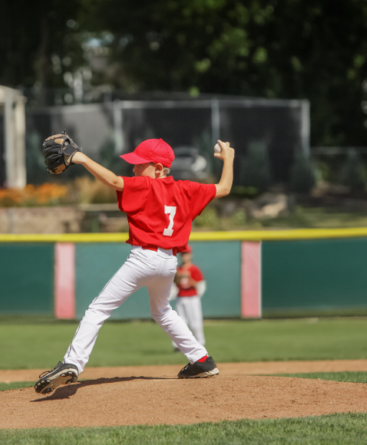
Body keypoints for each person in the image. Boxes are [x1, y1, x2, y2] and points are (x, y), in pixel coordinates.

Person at [36, 138, 235, 394]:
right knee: (162, 311)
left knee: (98, 309)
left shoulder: (147, 186)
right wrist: (228, 159)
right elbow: (224, 188)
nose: (134, 169)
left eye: (140, 165)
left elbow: (114, 181)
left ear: (159, 169)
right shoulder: (187, 189)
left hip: (143, 259)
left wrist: (82, 158)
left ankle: (72, 363)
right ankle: (202, 360)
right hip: (168, 263)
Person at [171, 244, 207, 351]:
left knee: (195, 322)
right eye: (182, 254)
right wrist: (177, 278)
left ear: (190, 255)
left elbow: (201, 286)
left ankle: (200, 342)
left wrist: (191, 281)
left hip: (192, 298)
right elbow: (174, 286)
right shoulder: (178, 269)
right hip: (181, 297)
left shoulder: (194, 269)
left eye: (186, 254)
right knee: (180, 323)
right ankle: (178, 345)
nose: (184, 256)